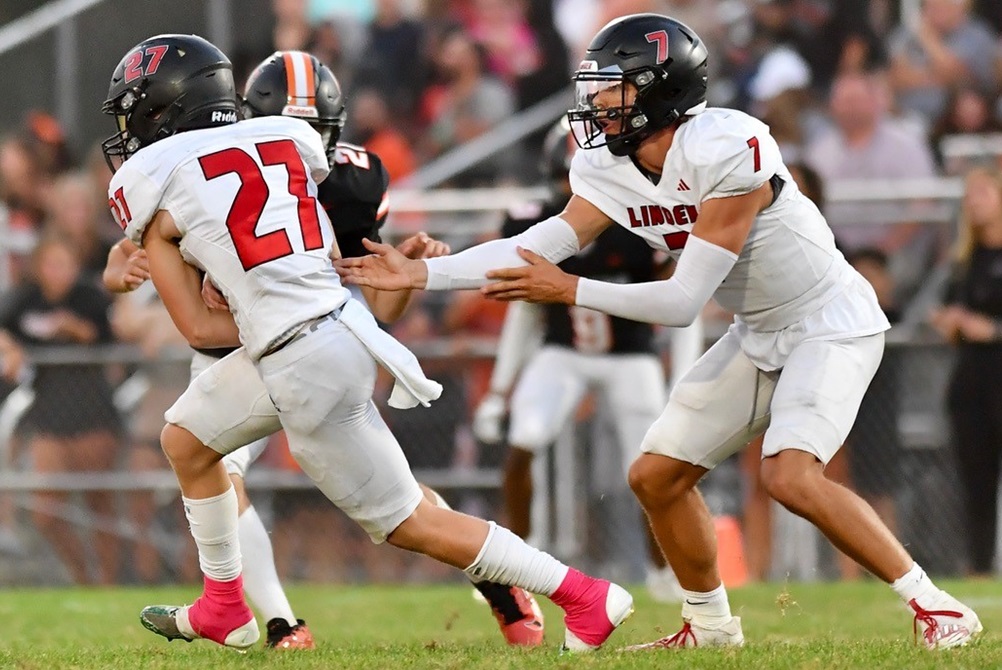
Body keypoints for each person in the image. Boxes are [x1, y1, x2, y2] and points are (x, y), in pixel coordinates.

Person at [336, 14, 983, 649]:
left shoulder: (727, 148)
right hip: (757, 327)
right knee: (654, 476)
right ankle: (710, 627)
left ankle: (936, 604)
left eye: (613, 86)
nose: (596, 101)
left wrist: (570, 290)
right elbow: (544, 242)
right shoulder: (607, 166)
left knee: (789, 476)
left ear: (660, 90)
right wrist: (426, 275)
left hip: (825, 319)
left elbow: (681, 301)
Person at [100, 33, 631, 652]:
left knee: (410, 522)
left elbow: (196, 328)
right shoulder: (287, 141)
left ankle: (583, 594)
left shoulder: (153, 182)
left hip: (297, 356)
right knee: (186, 439)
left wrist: (231, 294)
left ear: (163, 110)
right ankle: (225, 606)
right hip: (329, 333)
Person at [472, 117, 679, 601]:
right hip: (562, 350)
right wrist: (501, 392)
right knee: (523, 442)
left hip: (631, 354)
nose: (575, 194)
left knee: (652, 465)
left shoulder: (643, 228)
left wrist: (681, 378)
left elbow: (679, 300)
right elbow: (525, 307)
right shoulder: (533, 221)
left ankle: (665, 570)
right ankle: (516, 565)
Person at [929, 166, 1002, 576]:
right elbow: (944, 308)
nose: (974, 203)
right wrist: (950, 321)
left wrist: (989, 330)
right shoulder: (963, 260)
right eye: (970, 195)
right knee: (976, 479)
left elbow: (986, 324)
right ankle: (979, 566)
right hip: (972, 382)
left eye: (983, 193)